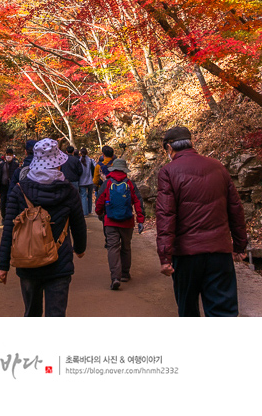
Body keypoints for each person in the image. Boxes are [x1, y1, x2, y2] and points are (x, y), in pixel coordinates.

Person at [156, 126, 249, 317]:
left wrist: (165, 257)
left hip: (186, 255)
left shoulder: (168, 172)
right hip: (219, 253)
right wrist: (240, 246)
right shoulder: (218, 167)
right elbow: (236, 210)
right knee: (223, 311)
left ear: (169, 148)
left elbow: (165, 216)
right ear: (192, 143)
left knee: (188, 309)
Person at [0, 138, 87, 316]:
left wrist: (3, 266)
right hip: (59, 262)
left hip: (28, 261)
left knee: (31, 314)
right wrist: (80, 248)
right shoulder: (69, 191)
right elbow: (78, 224)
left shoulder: (19, 191)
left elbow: (9, 230)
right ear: (58, 164)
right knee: (57, 315)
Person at [95, 156, 145, 290]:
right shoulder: (130, 183)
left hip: (110, 221)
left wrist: (99, 213)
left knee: (113, 247)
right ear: (124, 170)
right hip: (127, 221)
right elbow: (138, 202)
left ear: (113, 168)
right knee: (126, 247)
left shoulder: (107, 183)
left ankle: (115, 277)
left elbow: (99, 200)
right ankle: (125, 274)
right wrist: (140, 220)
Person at [0, 148, 20, 218]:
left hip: (13, 187)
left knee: (11, 203)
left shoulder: (16, 165)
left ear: (12, 155)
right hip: (3, 187)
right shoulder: (1, 165)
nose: (8, 156)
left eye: (10, 155)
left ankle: (11, 217)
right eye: (7, 154)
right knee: (3, 202)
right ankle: (3, 217)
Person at [78, 147, 96, 215]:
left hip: (82, 181)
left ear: (80, 153)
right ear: (87, 153)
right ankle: (90, 211)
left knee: (83, 196)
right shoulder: (91, 160)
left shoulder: (79, 161)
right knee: (90, 196)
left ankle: (85, 212)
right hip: (90, 180)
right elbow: (96, 167)